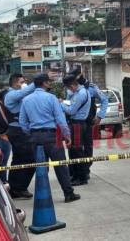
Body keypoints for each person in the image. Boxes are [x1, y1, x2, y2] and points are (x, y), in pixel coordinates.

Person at [19, 73, 80, 203]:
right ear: (44, 83)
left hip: (35, 137)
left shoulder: (26, 100)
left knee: (41, 168)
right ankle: (69, 194)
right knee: (61, 166)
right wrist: (67, 135)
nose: (50, 84)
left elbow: (22, 123)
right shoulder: (51, 98)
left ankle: (43, 197)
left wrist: (31, 133)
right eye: (48, 82)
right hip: (52, 136)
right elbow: (60, 119)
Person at [72, 67, 108, 178]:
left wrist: (100, 116)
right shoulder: (72, 88)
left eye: (76, 75)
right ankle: (76, 172)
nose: (75, 78)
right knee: (75, 148)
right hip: (75, 122)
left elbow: (104, 99)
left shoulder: (91, 87)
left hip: (88, 122)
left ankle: (86, 170)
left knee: (87, 147)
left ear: (81, 74)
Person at [4, 73, 36, 199]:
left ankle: (15, 188)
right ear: (15, 83)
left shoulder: (19, 95)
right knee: (30, 159)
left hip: (20, 131)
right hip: (17, 131)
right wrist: (37, 81)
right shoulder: (11, 94)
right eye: (22, 82)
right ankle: (19, 188)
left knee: (18, 160)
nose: (24, 84)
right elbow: (25, 92)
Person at [61, 74, 91, 186]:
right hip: (75, 124)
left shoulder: (81, 94)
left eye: (69, 88)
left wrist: (61, 104)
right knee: (73, 151)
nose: (69, 90)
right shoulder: (78, 93)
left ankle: (82, 177)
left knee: (78, 152)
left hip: (78, 124)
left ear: (73, 85)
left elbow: (72, 111)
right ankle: (75, 175)